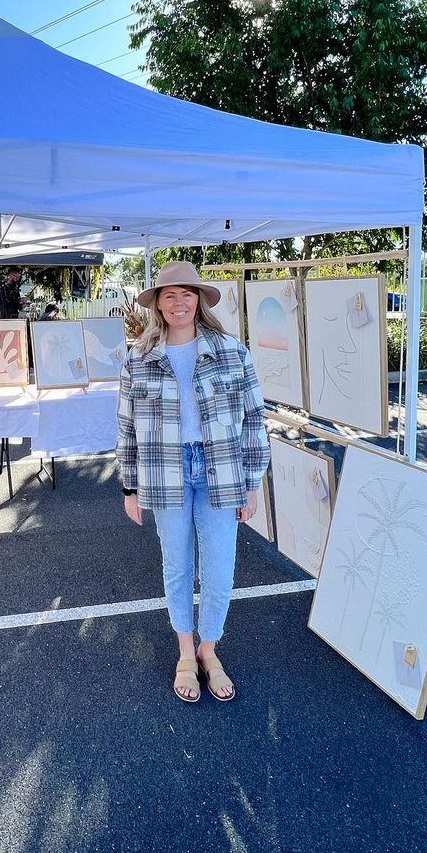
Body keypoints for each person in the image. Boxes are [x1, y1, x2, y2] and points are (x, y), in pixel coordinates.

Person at [116, 261, 269, 704]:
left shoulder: (230, 350)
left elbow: (253, 417)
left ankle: (209, 650)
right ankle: (186, 653)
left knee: (219, 568)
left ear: (199, 300)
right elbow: (126, 426)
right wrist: (129, 487)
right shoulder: (140, 357)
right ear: (157, 305)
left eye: (187, 294)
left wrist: (253, 481)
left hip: (220, 468)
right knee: (177, 565)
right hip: (165, 470)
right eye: (169, 295)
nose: (179, 302)